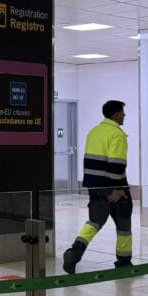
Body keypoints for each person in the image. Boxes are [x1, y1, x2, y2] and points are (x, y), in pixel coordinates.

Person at [63, 100, 132, 274]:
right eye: (122, 112)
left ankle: (74, 252)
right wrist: (119, 189)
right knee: (124, 224)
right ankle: (124, 262)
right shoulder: (117, 134)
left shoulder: (94, 132)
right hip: (114, 187)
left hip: (94, 186)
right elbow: (116, 165)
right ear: (115, 114)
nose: (124, 115)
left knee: (94, 222)